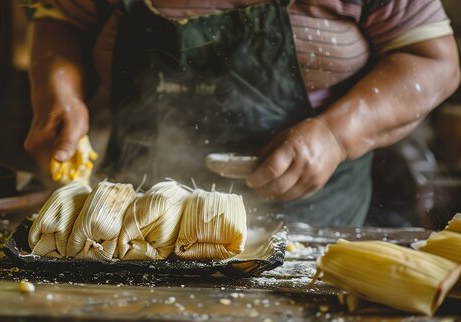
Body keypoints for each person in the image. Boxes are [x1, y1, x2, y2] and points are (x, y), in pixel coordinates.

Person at [24, 0, 460, 226]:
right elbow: (62, 20)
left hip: (312, 224)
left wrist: (335, 135)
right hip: (132, 222)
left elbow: (432, 60)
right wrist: (57, 97)